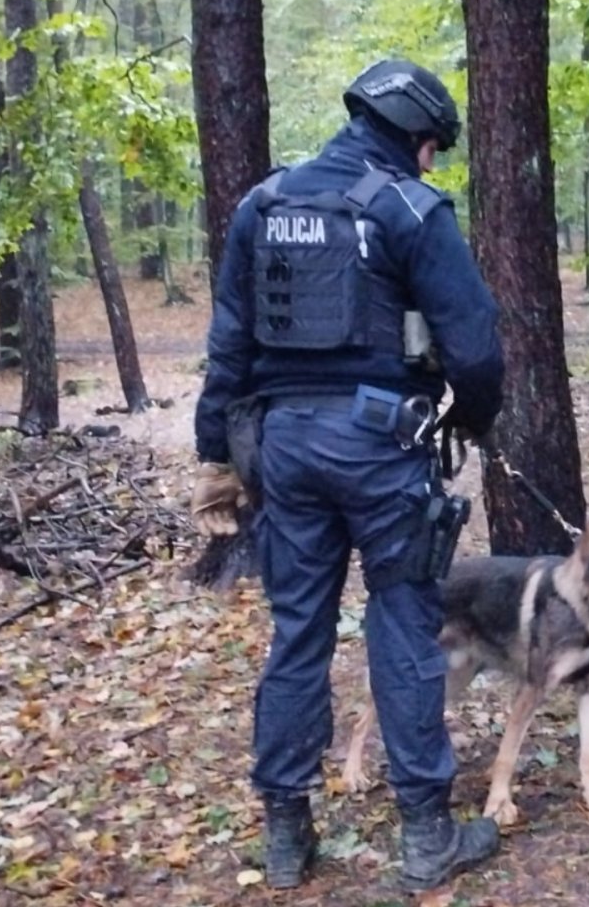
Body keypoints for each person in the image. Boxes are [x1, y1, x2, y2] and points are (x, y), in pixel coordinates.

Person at [189, 59, 506, 891]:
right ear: (415, 136)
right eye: (433, 148)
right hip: (379, 450)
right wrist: (472, 418)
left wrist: (215, 454)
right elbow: (474, 343)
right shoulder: (408, 208)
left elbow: (229, 344)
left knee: (298, 631)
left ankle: (288, 838)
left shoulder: (264, 204)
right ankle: (427, 837)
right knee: (403, 626)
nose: (432, 163)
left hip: (283, 453)